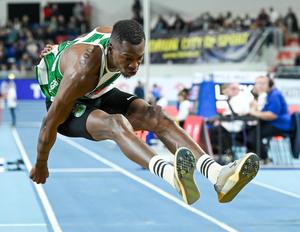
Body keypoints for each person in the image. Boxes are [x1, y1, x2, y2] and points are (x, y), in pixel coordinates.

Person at [32, 19, 259, 205]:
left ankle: (217, 175)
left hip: (96, 92)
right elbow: (49, 121)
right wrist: (41, 163)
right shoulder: (83, 70)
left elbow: (81, 40)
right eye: (128, 59)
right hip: (67, 107)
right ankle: (172, 177)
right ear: (111, 49)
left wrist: (58, 49)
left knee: (156, 116)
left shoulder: (116, 36)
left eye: (139, 59)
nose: (134, 66)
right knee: (117, 124)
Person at [247, 76, 291, 160]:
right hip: (271, 124)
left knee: (253, 135)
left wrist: (253, 112)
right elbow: (262, 112)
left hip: (280, 125)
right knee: (249, 130)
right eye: (257, 84)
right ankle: (253, 158)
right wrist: (255, 98)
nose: (259, 86)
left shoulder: (275, 95)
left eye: (263, 84)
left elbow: (272, 115)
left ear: (270, 85)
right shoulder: (266, 96)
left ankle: (264, 158)